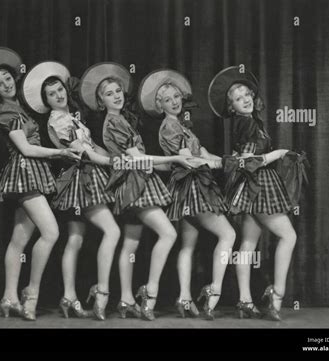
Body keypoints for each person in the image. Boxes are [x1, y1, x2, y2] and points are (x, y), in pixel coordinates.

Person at [0, 48, 80, 321]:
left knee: (19, 239)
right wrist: (60, 153)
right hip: (25, 171)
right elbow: (26, 149)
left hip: (34, 172)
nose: (6, 84)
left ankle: (9, 296)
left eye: (7, 78)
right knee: (51, 232)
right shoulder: (5, 110)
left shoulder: (20, 106)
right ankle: (31, 291)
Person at [79, 63, 194, 320]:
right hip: (135, 183)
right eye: (109, 93)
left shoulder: (119, 119)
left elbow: (138, 158)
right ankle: (149, 292)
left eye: (118, 90)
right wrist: (174, 159)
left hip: (136, 180)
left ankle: (125, 299)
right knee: (168, 233)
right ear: (100, 100)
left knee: (131, 243)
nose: (117, 95)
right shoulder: (115, 123)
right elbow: (136, 160)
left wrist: (173, 162)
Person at [21, 61, 120, 320]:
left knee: (75, 239)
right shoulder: (59, 121)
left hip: (82, 177)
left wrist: (113, 155)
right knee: (112, 230)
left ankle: (69, 296)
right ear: (46, 101)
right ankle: (102, 293)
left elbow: (94, 146)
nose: (58, 95)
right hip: (83, 179)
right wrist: (114, 162)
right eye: (51, 94)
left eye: (60, 89)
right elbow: (85, 153)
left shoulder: (72, 116)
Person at [139, 69, 235, 320]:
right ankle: (214, 292)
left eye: (176, 96)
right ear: (159, 106)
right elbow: (190, 162)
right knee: (228, 234)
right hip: (192, 187)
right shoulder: (169, 127)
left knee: (188, 245)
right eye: (168, 99)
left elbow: (201, 152)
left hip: (188, 188)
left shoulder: (181, 125)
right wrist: (218, 165)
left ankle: (183, 296)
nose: (174, 101)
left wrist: (227, 162)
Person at [208, 66, 297, 321]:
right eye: (238, 98)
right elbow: (248, 160)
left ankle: (245, 301)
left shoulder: (248, 121)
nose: (245, 99)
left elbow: (242, 157)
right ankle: (276, 295)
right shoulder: (246, 123)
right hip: (258, 185)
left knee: (247, 245)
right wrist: (278, 153)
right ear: (232, 107)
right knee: (288, 236)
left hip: (253, 186)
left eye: (247, 94)